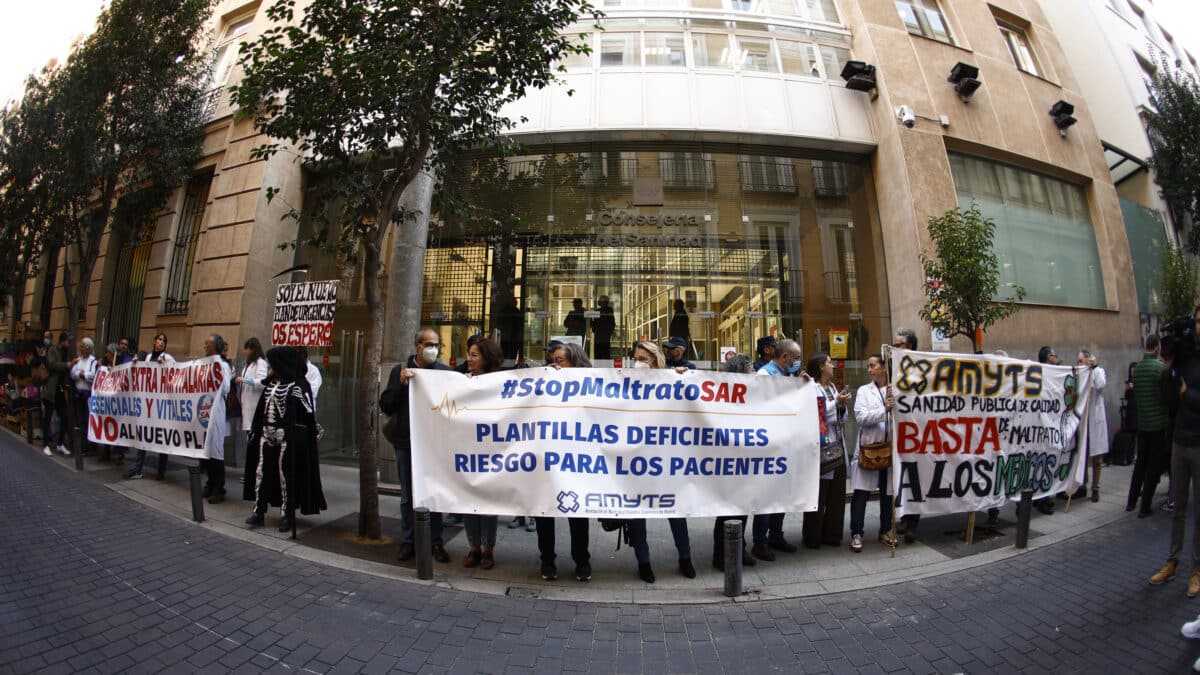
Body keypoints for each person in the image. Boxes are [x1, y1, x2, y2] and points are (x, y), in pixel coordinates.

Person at [380, 328, 453, 564]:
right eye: (428, 344)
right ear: (417, 346)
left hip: (434, 444)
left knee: (434, 494)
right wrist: (401, 385)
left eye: (436, 345)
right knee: (407, 496)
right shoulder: (400, 371)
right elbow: (387, 405)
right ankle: (409, 540)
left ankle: (435, 541)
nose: (433, 349)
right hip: (406, 442)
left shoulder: (444, 373)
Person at [630, 341, 696, 579]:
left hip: (666, 458)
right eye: (636, 358)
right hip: (636, 458)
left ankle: (685, 557)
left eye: (644, 359)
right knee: (636, 513)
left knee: (675, 508)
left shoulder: (672, 379)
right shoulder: (626, 383)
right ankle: (643, 562)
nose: (639, 363)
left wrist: (681, 377)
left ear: (656, 360)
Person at [243, 347, 327, 531]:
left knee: (286, 477)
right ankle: (259, 511)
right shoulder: (271, 383)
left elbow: (307, 413)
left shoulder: (299, 385)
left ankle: (287, 514)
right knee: (262, 474)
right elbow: (261, 410)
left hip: (286, 438)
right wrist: (256, 430)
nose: (271, 367)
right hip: (267, 434)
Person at [1151, 306, 1200, 597]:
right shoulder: (1185, 358)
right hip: (1180, 441)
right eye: (1196, 320)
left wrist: (1188, 393)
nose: (1198, 326)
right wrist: (1168, 371)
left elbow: (1189, 397)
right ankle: (1172, 562)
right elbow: (1168, 400)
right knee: (1178, 508)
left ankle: (1197, 570)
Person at [536, 341, 594, 582]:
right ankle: (547, 560)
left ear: (575, 362)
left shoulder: (591, 387)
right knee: (543, 510)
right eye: (553, 360)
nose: (554, 364)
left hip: (576, 461)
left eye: (560, 360)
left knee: (578, 512)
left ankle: (582, 561)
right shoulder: (542, 381)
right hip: (547, 459)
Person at [750, 339, 804, 561]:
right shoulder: (765, 375)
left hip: (784, 443)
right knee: (766, 495)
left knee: (780, 493)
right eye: (796, 357)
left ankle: (776, 535)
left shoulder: (787, 376)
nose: (797, 362)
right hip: (769, 444)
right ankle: (759, 542)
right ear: (785, 357)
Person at [461, 337, 505, 569]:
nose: (468, 358)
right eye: (468, 354)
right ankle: (473, 548)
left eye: (474, 355)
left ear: (486, 358)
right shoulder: (459, 380)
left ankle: (488, 549)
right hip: (468, 450)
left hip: (491, 451)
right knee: (469, 499)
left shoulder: (499, 382)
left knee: (488, 501)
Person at [713, 354, 758, 571]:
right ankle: (722, 556)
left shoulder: (754, 393)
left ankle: (738, 550)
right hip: (729, 460)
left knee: (741, 507)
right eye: (751, 370)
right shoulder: (726, 395)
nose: (755, 373)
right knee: (728, 510)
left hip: (744, 459)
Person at [849, 354, 896, 552]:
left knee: (887, 493)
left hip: (890, 449)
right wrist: (884, 410)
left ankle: (886, 530)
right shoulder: (863, 391)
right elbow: (861, 417)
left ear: (884, 367)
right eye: (868, 366)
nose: (870, 369)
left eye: (873, 365)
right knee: (861, 493)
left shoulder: (895, 390)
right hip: (869, 448)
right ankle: (856, 532)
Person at [805, 352, 849, 549]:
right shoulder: (812, 389)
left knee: (836, 493)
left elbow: (840, 416)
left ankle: (832, 534)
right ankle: (813, 536)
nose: (833, 366)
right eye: (830, 363)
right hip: (822, 446)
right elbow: (819, 415)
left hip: (837, 444)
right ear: (821, 367)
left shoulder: (831, 387)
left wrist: (841, 406)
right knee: (820, 494)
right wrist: (836, 403)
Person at [124, 333, 176, 480]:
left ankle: (161, 471)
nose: (161, 342)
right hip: (148, 406)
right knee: (143, 435)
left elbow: (176, 374)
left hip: (161, 406)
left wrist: (164, 367)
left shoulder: (168, 358)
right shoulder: (147, 358)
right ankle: (137, 468)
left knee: (162, 438)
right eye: (159, 339)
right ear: (154, 341)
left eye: (163, 341)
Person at [1131, 334, 1169, 516]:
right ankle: (1145, 506)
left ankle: (1131, 501)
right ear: (1157, 348)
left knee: (1140, 463)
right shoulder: (1159, 368)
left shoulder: (1137, 369)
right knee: (1153, 468)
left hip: (1143, 423)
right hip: (1157, 424)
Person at [200, 334, 232, 504]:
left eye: (208, 343)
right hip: (205, 410)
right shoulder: (204, 364)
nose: (205, 346)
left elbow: (226, 388)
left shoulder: (222, 366)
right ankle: (210, 482)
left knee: (216, 450)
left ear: (216, 347)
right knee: (207, 449)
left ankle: (219, 487)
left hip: (217, 411)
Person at [1077, 349, 1108, 502]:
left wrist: (1094, 368)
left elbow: (1100, 384)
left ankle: (1095, 488)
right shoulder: (1079, 374)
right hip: (1084, 420)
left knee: (1096, 457)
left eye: (1081, 360)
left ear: (1089, 360)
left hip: (1095, 419)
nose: (1079, 363)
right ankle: (1082, 485)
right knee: (1082, 455)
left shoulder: (1099, 371)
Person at [68, 337, 98, 457]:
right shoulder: (78, 360)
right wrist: (79, 374)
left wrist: (82, 374)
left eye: (83, 346)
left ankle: (87, 446)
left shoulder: (93, 361)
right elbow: (73, 373)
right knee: (79, 420)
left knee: (86, 420)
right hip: (78, 392)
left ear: (89, 348)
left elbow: (92, 375)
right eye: (81, 346)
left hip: (87, 394)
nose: (81, 348)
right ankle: (79, 444)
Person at [41, 332, 70, 457]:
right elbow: (52, 365)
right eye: (68, 342)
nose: (69, 344)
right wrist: (67, 365)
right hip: (51, 389)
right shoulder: (53, 350)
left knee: (65, 416)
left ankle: (60, 444)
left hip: (60, 390)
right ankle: (46, 444)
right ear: (62, 341)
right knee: (48, 417)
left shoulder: (66, 353)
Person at [591, 295, 616, 360]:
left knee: (603, 352)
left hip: (603, 336)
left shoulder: (608, 310)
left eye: (601, 300)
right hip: (600, 335)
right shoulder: (599, 310)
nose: (599, 301)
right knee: (600, 352)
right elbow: (593, 321)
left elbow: (611, 323)